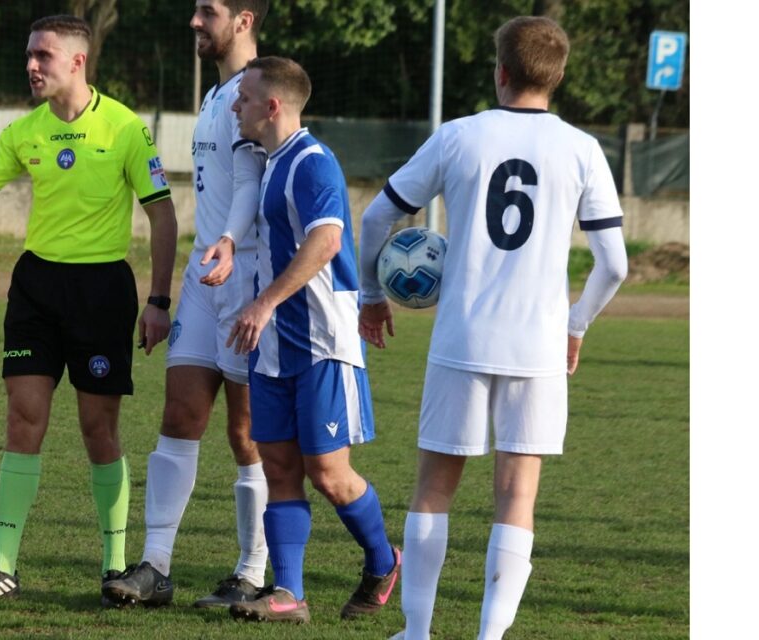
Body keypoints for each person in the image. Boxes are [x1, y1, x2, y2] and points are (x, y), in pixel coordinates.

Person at [357, 17, 628, 640]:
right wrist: (576, 325)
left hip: (463, 340)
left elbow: (376, 219)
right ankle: (490, 636)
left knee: (434, 489)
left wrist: (373, 296)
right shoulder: (582, 148)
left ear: (500, 71)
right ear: (556, 78)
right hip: (537, 346)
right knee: (516, 497)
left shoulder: (458, 137)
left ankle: (418, 631)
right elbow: (614, 264)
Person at [0, 14, 178, 607]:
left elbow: (162, 215)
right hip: (36, 288)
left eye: (43, 56)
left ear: (78, 61)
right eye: (29, 54)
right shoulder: (24, 131)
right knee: (24, 419)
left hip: (102, 292)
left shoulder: (125, 128)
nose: (31, 65)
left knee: (98, 429)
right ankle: (0, 566)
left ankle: (115, 565)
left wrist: (157, 300)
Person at [101, 0, 269, 609]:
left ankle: (252, 571)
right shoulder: (215, 94)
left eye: (209, 12)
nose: (195, 22)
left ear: (245, 19)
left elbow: (251, 185)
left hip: (249, 275)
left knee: (248, 433)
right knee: (179, 417)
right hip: (206, 273)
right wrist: (163, 295)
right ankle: (156, 566)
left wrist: (230, 241)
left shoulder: (260, 90)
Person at [222, 57, 400, 624]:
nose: (236, 105)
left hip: (323, 342)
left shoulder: (312, 162)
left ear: (273, 106)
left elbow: (326, 240)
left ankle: (384, 559)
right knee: (277, 466)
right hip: (274, 346)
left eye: (244, 97)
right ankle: (289, 593)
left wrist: (265, 301)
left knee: (328, 472)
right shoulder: (271, 162)